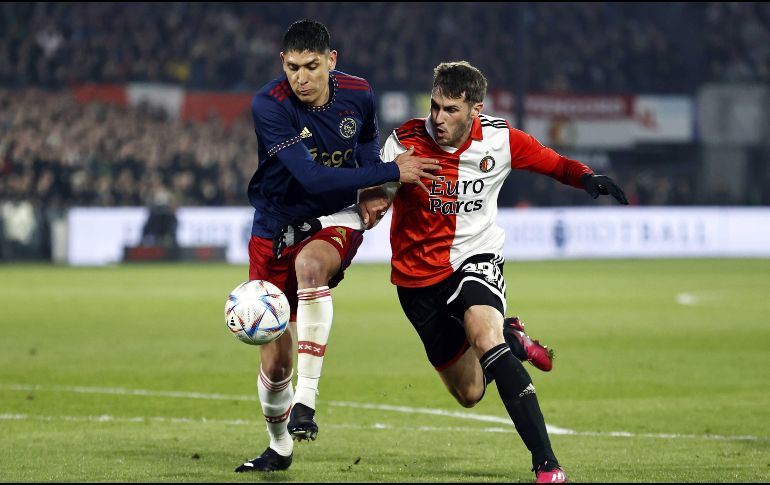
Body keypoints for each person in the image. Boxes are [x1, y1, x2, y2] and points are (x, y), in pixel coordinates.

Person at [273, 61, 628, 483]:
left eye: (451, 110)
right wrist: (319, 225)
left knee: (483, 333)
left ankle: (547, 463)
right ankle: (513, 340)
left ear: (474, 109)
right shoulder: (404, 143)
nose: (438, 119)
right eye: (435, 106)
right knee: (471, 392)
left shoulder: (500, 140)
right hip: (416, 284)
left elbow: (556, 164)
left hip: (474, 259)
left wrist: (588, 178)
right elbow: (370, 207)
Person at [234, 20, 440, 473]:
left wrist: (371, 188)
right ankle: (279, 445)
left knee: (312, 265)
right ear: (281, 65)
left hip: (336, 218)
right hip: (276, 227)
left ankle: (305, 403)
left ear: (331, 61)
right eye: (292, 68)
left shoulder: (359, 94)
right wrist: (387, 174)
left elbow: (365, 146)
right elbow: (311, 176)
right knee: (275, 360)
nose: (301, 78)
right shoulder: (270, 106)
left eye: (311, 66)